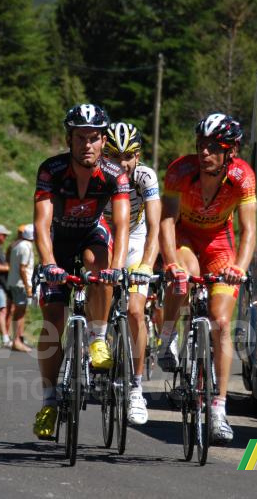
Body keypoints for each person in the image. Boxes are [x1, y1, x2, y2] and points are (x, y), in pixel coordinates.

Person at [32, 104, 131, 439]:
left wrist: (116, 270)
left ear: (103, 141)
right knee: (52, 321)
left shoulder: (115, 174)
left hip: (92, 234)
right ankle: (49, 401)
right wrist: (48, 263)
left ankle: (98, 338)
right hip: (57, 241)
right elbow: (41, 225)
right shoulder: (51, 170)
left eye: (93, 138)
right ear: (69, 139)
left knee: (100, 265)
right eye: (79, 138)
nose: (86, 145)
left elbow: (120, 224)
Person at [159, 113, 257, 444]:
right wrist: (170, 262)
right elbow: (167, 221)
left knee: (220, 321)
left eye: (213, 147)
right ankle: (168, 334)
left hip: (219, 243)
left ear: (231, 151)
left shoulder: (242, 177)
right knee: (185, 276)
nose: (204, 153)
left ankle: (218, 408)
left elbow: (249, 231)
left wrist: (239, 268)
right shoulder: (179, 171)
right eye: (201, 146)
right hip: (185, 237)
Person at [101, 122, 161, 425]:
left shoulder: (145, 176)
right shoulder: (97, 171)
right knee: (93, 291)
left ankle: (136, 388)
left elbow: (154, 228)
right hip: (103, 233)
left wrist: (147, 267)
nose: (121, 163)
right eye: (113, 156)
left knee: (136, 311)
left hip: (136, 238)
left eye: (128, 156)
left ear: (138, 155)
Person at [6, 223, 35, 352]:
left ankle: (18, 339)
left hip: (14, 281)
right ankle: (17, 341)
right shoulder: (26, 246)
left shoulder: (16, 245)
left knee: (19, 311)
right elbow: (23, 268)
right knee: (20, 313)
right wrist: (28, 286)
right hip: (21, 284)